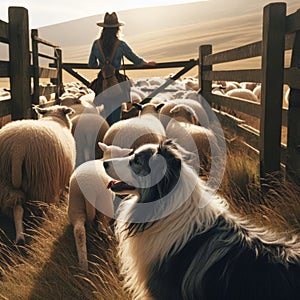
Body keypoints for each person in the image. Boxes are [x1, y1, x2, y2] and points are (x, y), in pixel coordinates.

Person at [88, 12, 156, 125]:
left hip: (103, 82)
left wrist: (103, 65)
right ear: (117, 29)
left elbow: (91, 64)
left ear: (103, 29)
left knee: (105, 112)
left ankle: (104, 135)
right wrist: (146, 63)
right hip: (117, 83)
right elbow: (135, 60)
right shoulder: (120, 45)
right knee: (116, 112)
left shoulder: (96, 44)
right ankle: (113, 134)